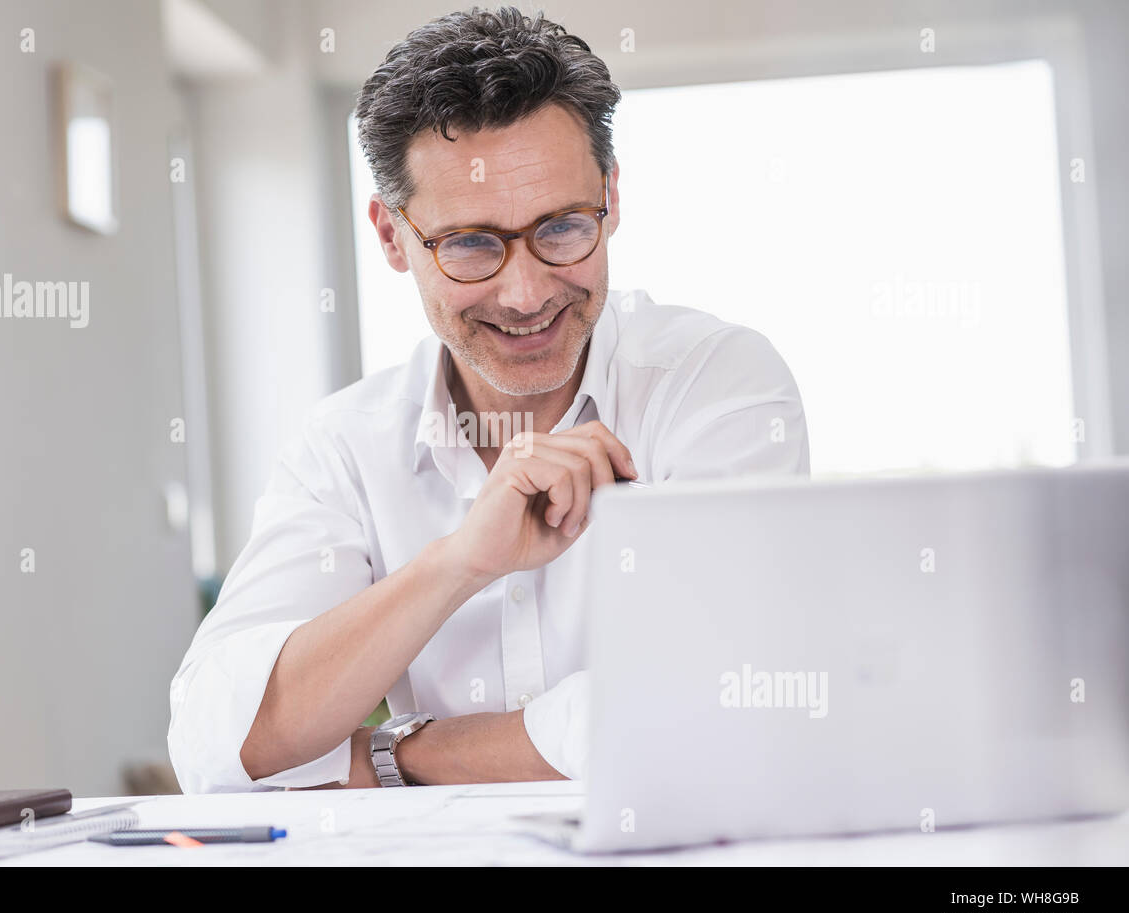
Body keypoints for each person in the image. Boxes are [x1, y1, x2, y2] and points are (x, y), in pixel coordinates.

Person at [168, 6, 809, 793]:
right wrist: (460, 562)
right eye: (472, 243)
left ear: (610, 196)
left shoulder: (714, 384)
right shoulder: (344, 445)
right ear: (391, 237)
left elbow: (718, 697)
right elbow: (213, 741)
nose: (527, 290)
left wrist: (399, 754)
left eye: (564, 227)